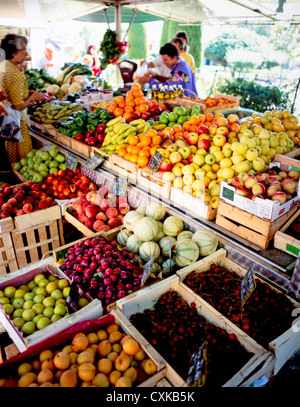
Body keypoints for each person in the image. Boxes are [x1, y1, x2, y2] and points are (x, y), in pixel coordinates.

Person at [0, 34, 45, 163]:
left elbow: (8, 91)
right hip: (17, 122)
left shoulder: (3, 65)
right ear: (14, 53)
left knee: (11, 154)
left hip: (6, 121)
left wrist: (26, 93)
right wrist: (32, 98)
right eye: (24, 50)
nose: (26, 54)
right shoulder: (16, 74)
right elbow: (17, 106)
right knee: (24, 158)